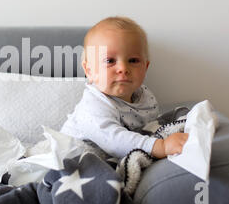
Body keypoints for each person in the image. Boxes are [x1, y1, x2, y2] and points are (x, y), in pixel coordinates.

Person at [60, 16, 188, 159]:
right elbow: (114, 141)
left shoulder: (145, 97)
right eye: (110, 61)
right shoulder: (93, 106)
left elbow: (150, 126)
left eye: (133, 60)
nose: (123, 68)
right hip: (71, 156)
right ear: (89, 71)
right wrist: (160, 146)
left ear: (145, 67)